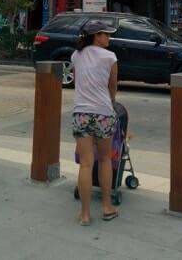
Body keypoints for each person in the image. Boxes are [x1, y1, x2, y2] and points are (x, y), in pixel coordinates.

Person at [71, 19, 119, 226]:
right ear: (96, 36)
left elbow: (77, 79)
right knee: (105, 159)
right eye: (105, 34)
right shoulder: (110, 57)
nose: (108, 38)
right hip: (102, 113)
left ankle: (84, 214)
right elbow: (112, 85)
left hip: (81, 112)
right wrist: (112, 103)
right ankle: (107, 206)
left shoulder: (76, 55)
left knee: (85, 163)